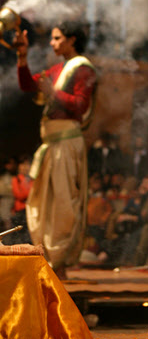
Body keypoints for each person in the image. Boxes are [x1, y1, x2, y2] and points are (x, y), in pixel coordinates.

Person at [14, 21, 97, 278]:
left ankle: (59, 264)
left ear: (72, 40)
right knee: (42, 204)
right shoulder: (58, 69)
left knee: (62, 204)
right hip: (51, 145)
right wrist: (22, 55)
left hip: (66, 144)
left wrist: (54, 94)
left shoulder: (82, 69)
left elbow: (81, 106)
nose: (52, 43)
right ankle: (48, 260)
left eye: (57, 38)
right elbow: (29, 85)